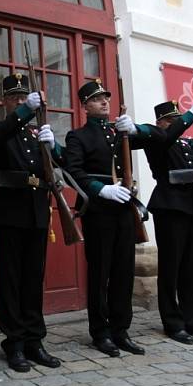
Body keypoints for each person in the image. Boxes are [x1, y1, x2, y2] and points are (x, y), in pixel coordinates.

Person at [0, 73, 63, 372]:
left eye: (23, 96)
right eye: (14, 97)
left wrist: (53, 146)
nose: (19, 100)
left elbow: (61, 165)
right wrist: (25, 110)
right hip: (9, 212)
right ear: (4, 101)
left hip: (37, 211)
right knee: (12, 280)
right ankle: (13, 342)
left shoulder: (34, 134)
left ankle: (34, 340)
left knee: (33, 279)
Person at [64, 80, 153, 357]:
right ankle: (100, 332)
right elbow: (73, 171)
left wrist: (136, 128)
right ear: (85, 105)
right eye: (97, 99)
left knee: (124, 272)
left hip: (124, 210)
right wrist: (100, 188)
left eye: (106, 98)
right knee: (100, 272)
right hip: (99, 211)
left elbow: (161, 137)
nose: (104, 102)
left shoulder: (119, 132)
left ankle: (120, 330)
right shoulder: (77, 137)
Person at [142, 99, 193, 344]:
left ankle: (192, 320)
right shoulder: (157, 139)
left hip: (192, 208)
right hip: (169, 207)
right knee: (171, 267)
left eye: (178, 120)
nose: (177, 124)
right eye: (171, 120)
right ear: (161, 123)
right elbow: (169, 137)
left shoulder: (191, 144)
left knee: (192, 269)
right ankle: (173, 322)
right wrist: (191, 114)